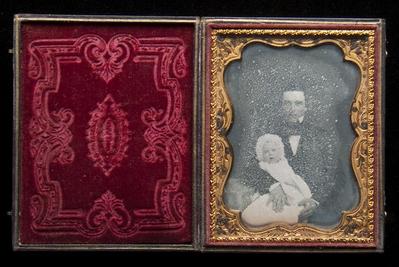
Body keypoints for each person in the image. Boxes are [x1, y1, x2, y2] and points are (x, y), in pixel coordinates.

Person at [241, 134, 315, 227]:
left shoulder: (284, 163)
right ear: (261, 154)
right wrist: (275, 186)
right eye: (266, 152)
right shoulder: (263, 165)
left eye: (273, 150)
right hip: (272, 192)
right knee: (269, 207)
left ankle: (293, 216)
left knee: (297, 203)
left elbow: (293, 178)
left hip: (290, 188)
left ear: (279, 151)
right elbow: (251, 171)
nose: (270, 153)